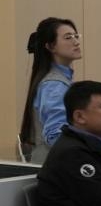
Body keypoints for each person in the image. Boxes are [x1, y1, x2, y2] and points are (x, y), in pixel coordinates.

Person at [20, 17, 82, 163]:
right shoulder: (54, 84)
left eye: (76, 36)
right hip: (54, 166)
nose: (76, 42)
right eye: (68, 37)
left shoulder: (59, 80)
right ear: (50, 47)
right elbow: (55, 135)